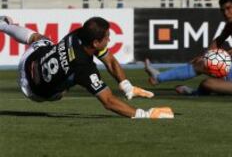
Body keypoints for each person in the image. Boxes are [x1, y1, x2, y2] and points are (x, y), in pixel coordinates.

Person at [0, 16, 174, 119]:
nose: (109, 40)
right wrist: (145, 114)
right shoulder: (84, 68)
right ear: (96, 42)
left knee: (40, 38)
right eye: (107, 37)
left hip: (29, 62)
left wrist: (127, 86)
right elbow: (109, 102)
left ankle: (4, 24)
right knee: (62, 90)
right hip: (34, 93)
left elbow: (110, 60)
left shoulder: (77, 34)